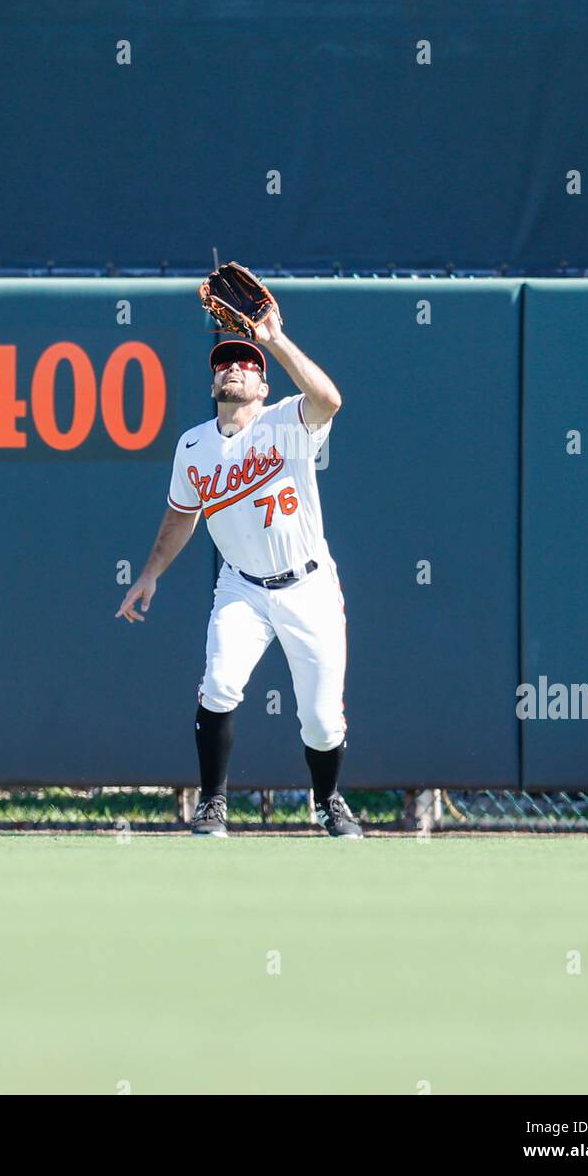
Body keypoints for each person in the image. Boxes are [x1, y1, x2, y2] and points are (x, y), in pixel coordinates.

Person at [116, 308, 362, 839]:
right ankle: (212, 803)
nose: (234, 368)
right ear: (212, 380)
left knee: (321, 721)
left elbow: (330, 400)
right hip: (241, 587)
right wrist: (150, 572)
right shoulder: (193, 445)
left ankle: (327, 801)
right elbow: (182, 513)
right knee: (220, 684)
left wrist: (273, 339)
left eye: (245, 364)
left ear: (262, 381)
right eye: (225, 363)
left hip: (308, 584)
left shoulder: (287, 422)